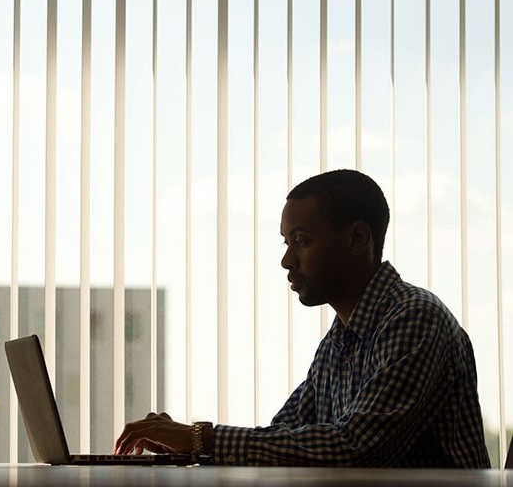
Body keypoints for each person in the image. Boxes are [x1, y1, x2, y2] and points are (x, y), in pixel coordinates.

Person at [114, 169, 490, 467]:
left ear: (358, 239)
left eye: (301, 240)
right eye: (286, 242)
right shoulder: (340, 339)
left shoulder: (415, 318)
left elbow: (354, 448)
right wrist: (187, 447)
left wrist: (200, 438)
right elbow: (285, 436)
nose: (287, 260)